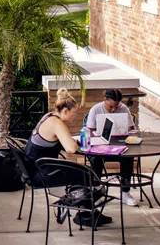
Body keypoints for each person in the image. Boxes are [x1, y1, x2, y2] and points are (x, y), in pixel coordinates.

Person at [24, 88, 113, 227]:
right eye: (74, 113)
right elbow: (71, 148)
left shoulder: (49, 116)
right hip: (42, 174)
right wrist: (79, 143)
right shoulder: (57, 123)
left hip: (35, 168)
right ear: (65, 111)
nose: (75, 116)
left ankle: (86, 212)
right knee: (87, 174)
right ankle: (86, 214)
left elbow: (65, 142)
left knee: (84, 173)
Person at [86, 88, 137, 207]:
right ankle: (97, 192)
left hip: (119, 143)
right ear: (105, 100)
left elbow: (131, 127)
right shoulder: (96, 109)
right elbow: (90, 130)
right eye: (111, 107)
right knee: (95, 159)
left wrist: (125, 129)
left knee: (128, 158)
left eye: (116, 106)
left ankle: (125, 192)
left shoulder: (123, 108)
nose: (114, 109)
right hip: (101, 144)